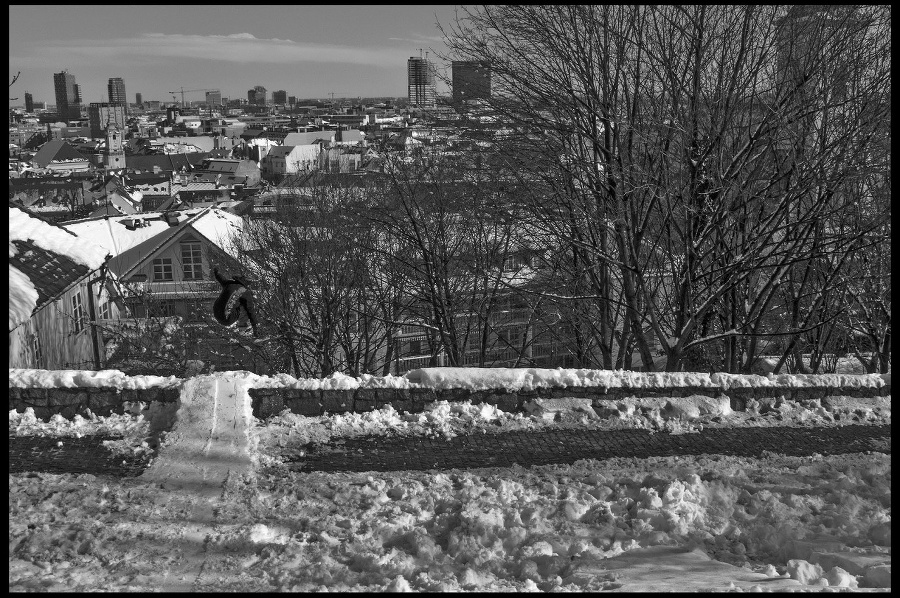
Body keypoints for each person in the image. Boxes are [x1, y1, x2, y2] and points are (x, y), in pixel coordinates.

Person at [213, 267, 258, 336]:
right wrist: (255, 328)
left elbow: (220, 278)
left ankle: (240, 324)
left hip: (216, 313)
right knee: (246, 306)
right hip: (227, 319)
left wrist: (216, 271)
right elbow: (251, 311)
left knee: (230, 299)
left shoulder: (228, 283)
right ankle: (243, 328)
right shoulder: (245, 292)